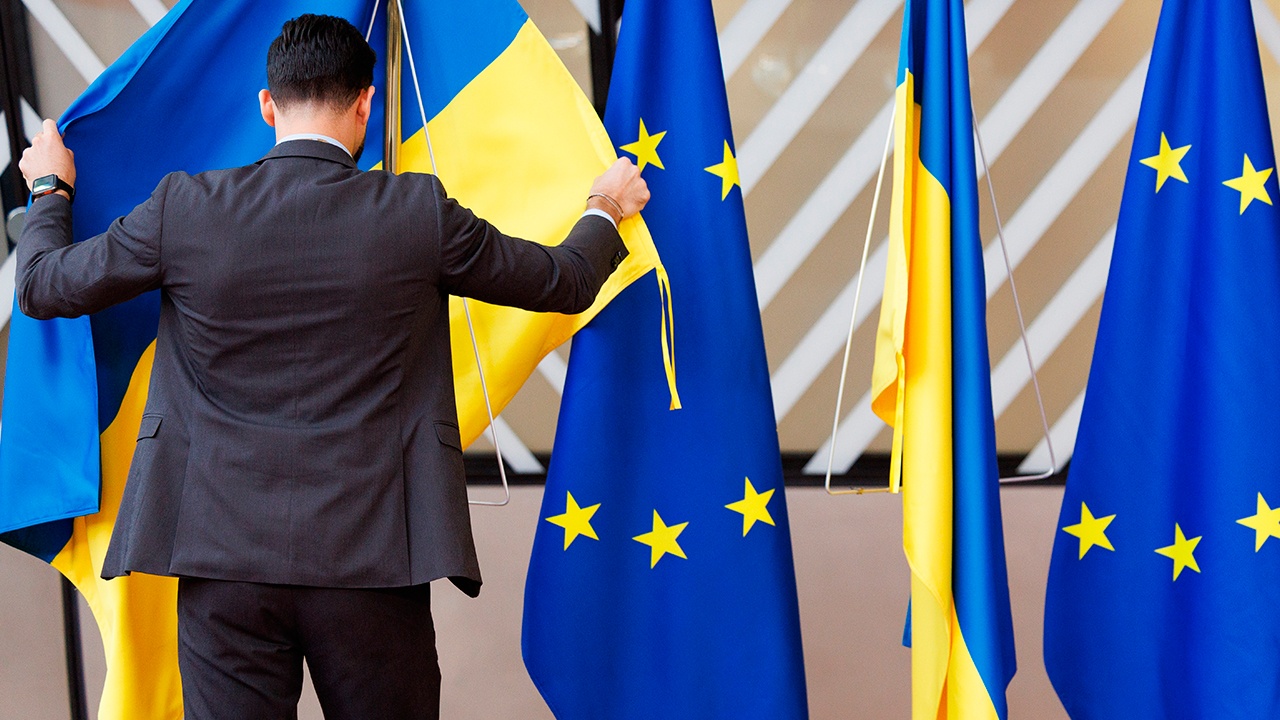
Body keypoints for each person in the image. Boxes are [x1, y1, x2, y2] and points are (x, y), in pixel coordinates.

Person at [16, 13, 648, 720]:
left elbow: (42, 286)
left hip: (222, 562)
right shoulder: (418, 212)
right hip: (374, 562)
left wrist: (51, 190)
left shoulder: (184, 208)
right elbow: (563, 281)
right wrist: (605, 205)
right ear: (366, 104)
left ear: (267, 105)